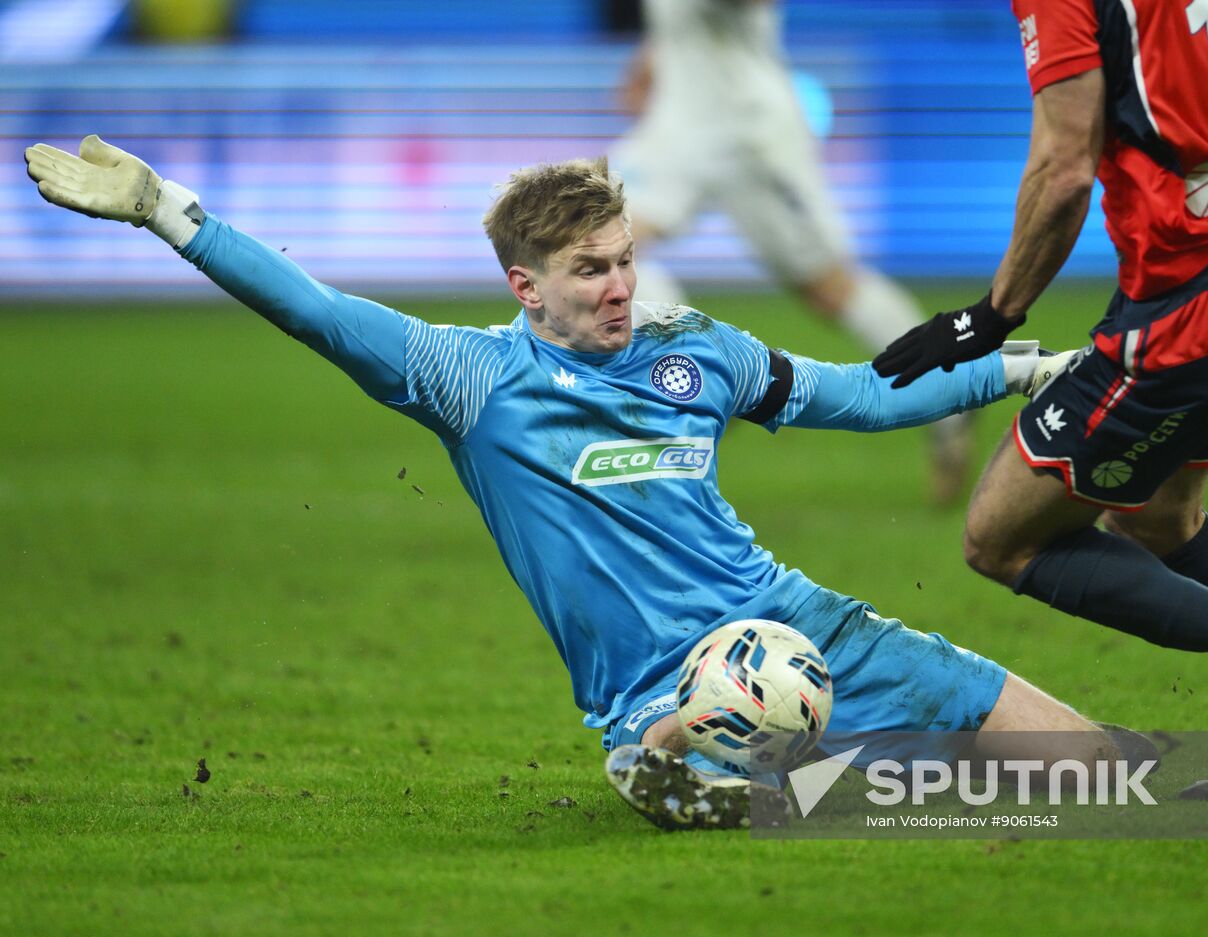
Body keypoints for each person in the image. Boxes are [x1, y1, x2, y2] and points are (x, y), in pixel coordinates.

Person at [25, 137, 1114, 831]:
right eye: (589, 271)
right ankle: (688, 759)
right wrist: (168, 208)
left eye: (625, 260)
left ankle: (780, 767)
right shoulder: (468, 379)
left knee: (1092, 770)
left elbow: (863, 395)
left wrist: (1026, 367)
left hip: (797, 627)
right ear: (524, 286)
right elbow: (314, 309)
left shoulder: (699, 350)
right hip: (656, 689)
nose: (619, 289)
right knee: (780, 764)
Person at [872, 0, 1208, 797]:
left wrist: (989, 316)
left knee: (998, 535)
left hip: (1186, 303)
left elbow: (1064, 167)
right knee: (1159, 518)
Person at [611, 0, 976, 507]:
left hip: (751, 131)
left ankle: (947, 390)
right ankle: (692, 379)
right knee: (603, 237)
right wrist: (654, 58)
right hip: (679, 124)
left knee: (829, 288)